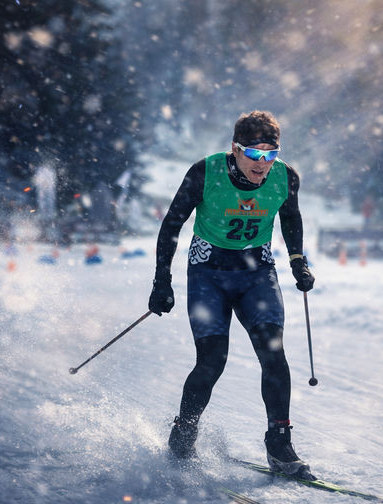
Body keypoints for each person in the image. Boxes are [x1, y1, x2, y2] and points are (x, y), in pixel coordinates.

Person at [148, 110, 316, 479]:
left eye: (270, 155)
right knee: (212, 361)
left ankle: (280, 443)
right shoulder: (205, 172)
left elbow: (290, 218)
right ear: (235, 150)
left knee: (274, 354)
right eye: (255, 155)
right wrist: (162, 280)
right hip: (209, 274)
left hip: (257, 274)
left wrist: (298, 261)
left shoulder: (285, 177)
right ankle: (185, 431)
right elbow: (172, 223)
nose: (263, 164)